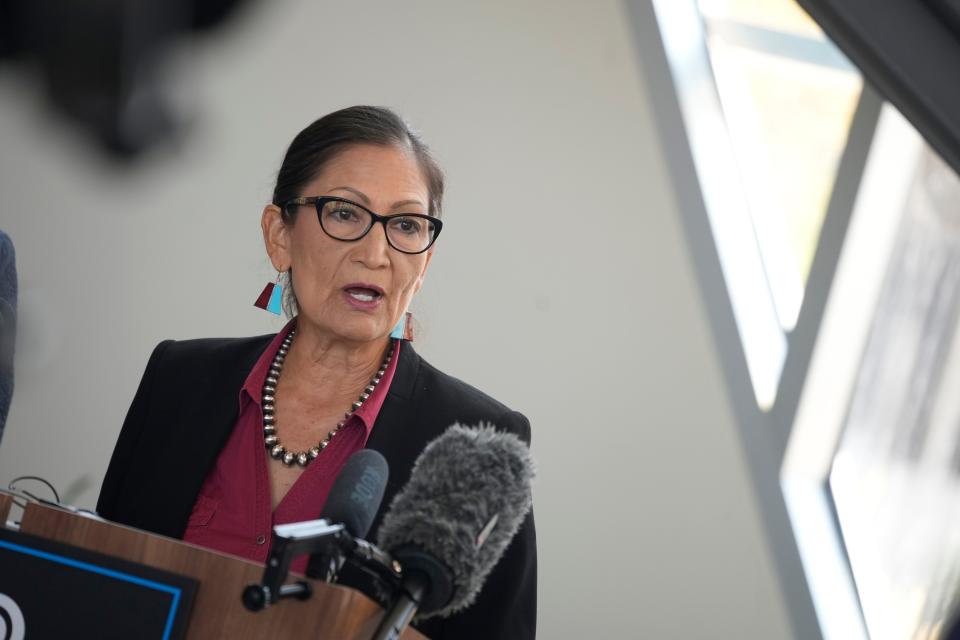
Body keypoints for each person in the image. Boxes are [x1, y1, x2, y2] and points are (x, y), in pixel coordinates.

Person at [96, 106, 536, 639]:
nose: (376, 254)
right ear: (278, 235)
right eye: (345, 213)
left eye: (405, 225)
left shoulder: (476, 442)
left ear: (425, 262)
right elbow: (102, 582)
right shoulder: (177, 380)